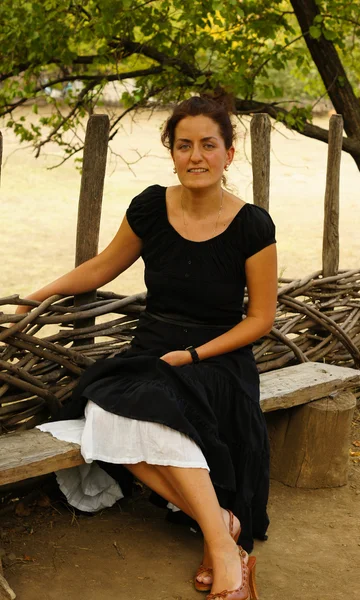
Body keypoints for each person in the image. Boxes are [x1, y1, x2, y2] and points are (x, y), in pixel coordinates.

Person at [15, 96, 277, 600]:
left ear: (229, 152)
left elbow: (261, 318)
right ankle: (222, 530)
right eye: (184, 146)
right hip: (152, 353)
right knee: (105, 414)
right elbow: (100, 267)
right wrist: (33, 299)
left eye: (208, 145)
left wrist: (197, 356)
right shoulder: (151, 207)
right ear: (172, 152)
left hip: (218, 360)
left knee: (150, 415)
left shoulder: (252, 225)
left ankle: (220, 548)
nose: (196, 156)